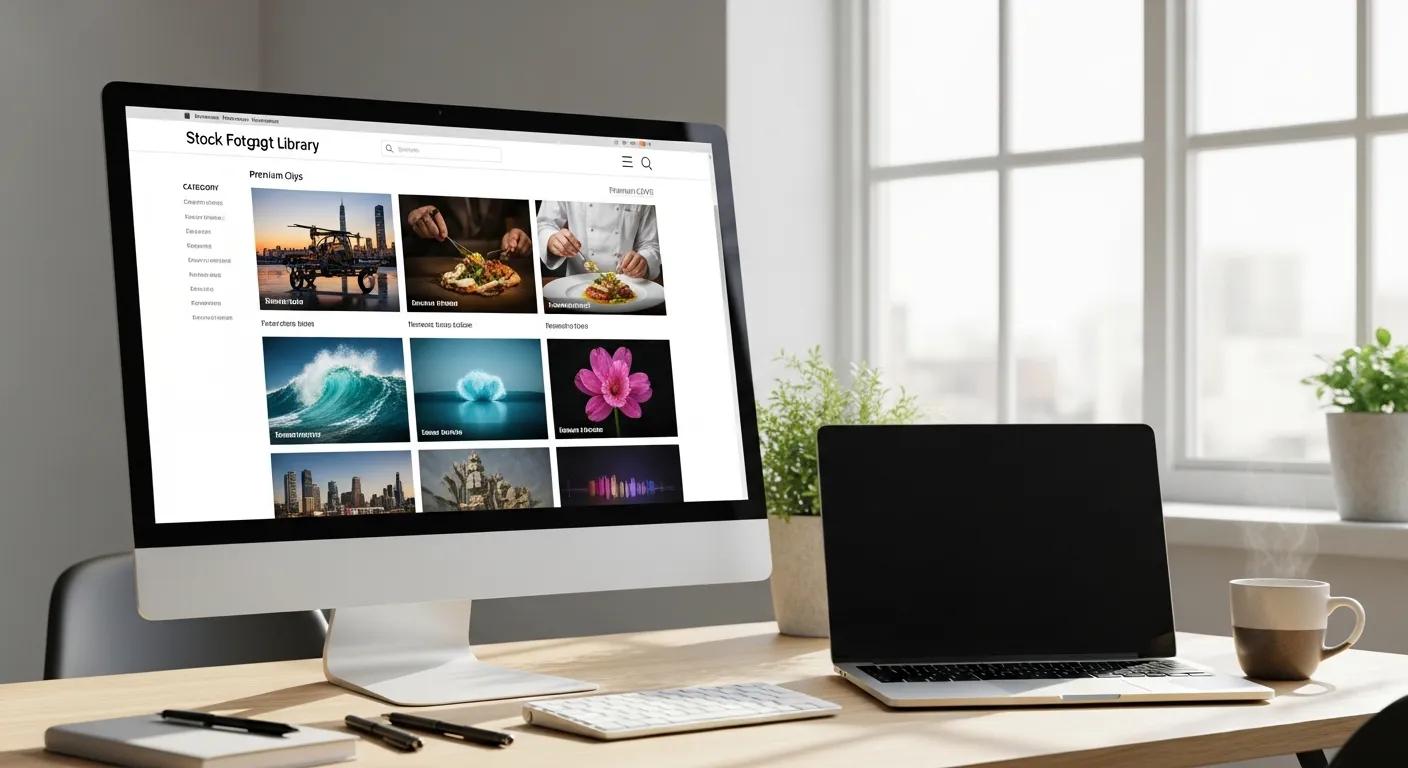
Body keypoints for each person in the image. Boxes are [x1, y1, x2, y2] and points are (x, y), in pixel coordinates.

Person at [537, 201, 660, 280]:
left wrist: (644, 260)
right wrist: (551, 239)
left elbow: (651, 244)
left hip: (628, 285)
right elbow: (543, 224)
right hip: (576, 284)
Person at [401, 196, 531, 258]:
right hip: (438, 258)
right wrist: (413, 215)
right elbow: (407, 208)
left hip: (496, 257)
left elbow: (517, 211)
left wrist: (515, 233)